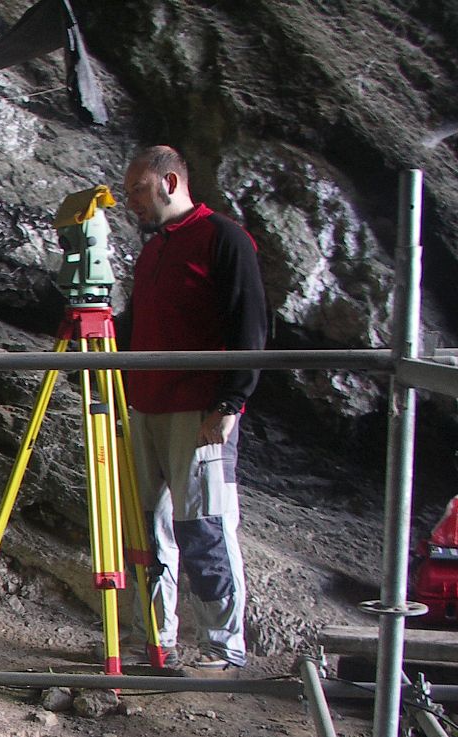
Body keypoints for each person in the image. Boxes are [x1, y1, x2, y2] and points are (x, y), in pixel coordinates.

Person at [119, 145, 268, 674]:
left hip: (198, 408)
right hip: (145, 407)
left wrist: (230, 402)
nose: (131, 201)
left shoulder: (223, 238)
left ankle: (222, 647)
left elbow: (250, 324)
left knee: (203, 527)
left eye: (138, 189)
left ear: (170, 182)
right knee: (146, 528)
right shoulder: (153, 251)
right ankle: (154, 639)